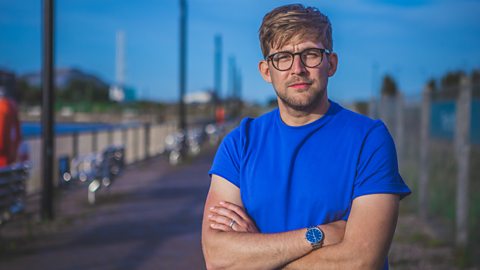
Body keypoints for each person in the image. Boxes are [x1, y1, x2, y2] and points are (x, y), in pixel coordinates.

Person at [201, 4, 411, 270]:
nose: (297, 68)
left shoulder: (369, 140)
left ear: (331, 63)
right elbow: (218, 258)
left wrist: (258, 256)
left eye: (310, 54)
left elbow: (360, 260)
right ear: (267, 70)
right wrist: (320, 235)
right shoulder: (240, 143)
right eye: (283, 57)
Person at [0, 86, 21, 167]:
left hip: (3, 157)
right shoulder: (12, 107)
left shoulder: (2, 108)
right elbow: (18, 135)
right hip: (10, 155)